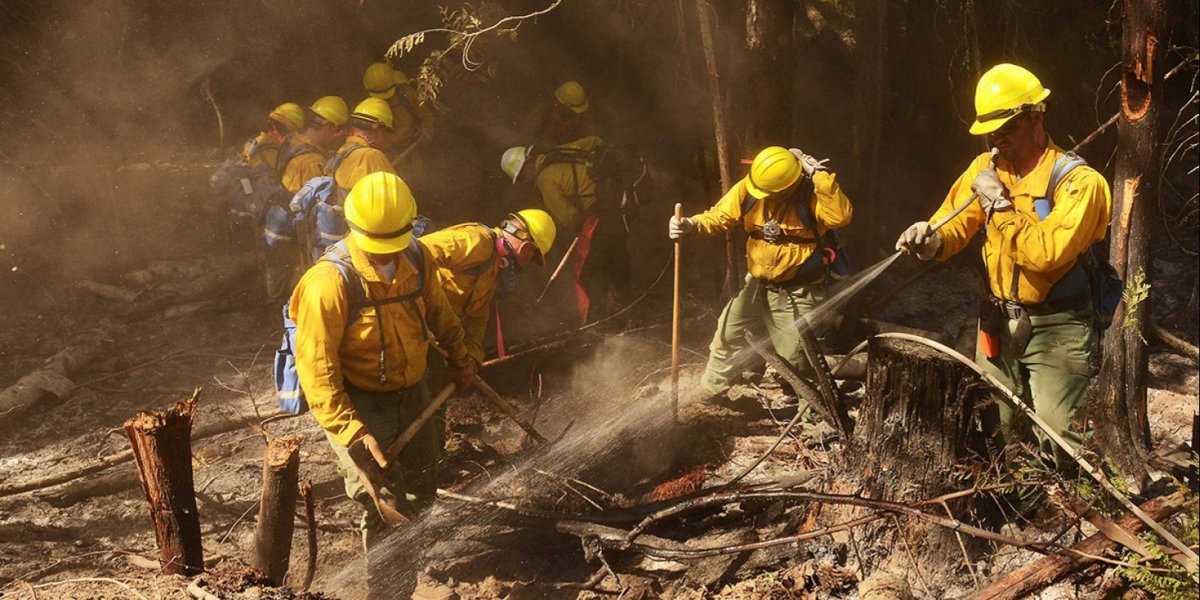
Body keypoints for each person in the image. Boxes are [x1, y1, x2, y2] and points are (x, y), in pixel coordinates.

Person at [895, 63, 1112, 468]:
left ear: (1036, 117)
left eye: (1007, 128)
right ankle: (1015, 495)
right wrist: (931, 239)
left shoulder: (1080, 183)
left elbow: (1046, 254)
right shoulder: (985, 169)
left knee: (1060, 432)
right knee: (996, 425)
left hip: (1057, 323)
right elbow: (954, 223)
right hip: (996, 318)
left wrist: (999, 205)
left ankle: (1081, 498)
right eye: (992, 131)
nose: (998, 138)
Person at [290, 171, 476, 558]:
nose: (387, 254)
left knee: (422, 486)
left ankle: (411, 565)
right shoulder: (329, 282)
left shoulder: (417, 258)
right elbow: (318, 371)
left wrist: (461, 357)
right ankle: (388, 584)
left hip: (415, 392)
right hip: (361, 405)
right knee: (382, 503)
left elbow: (440, 314)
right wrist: (353, 431)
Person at [669, 146, 853, 412]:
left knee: (798, 357)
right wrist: (691, 225)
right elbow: (720, 215)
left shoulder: (811, 194)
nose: (763, 195)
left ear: (787, 187)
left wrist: (819, 175)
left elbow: (841, 216)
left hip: (798, 291)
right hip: (756, 286)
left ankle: (814, 416)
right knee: (726, 336)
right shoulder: (754, 186)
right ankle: (710, 395)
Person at [501, 136, 630, 324]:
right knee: (616, 257)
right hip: (621, 198)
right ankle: (626, 306)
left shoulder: (545, 180)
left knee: (588, 270)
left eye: (521, 178)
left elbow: (569, 217)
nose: (525, 181)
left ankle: (599, 321)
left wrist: (581, 229)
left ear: (527, 167)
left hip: (602, 213)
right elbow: (593, 141)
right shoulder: (560, 153)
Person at [421, 209, 557, 363]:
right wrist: (419, 310)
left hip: (427, 341)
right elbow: (417, 254)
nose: (528, 263)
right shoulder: (478, 241)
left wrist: (471, 358)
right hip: (411, 324)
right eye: (534, 257)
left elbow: (476, 320)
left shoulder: (493, 272)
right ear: (526, 247)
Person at [363, 62, 434, 178]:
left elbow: (426, 115)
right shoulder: (367, 108)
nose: (385, 98)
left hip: (411, 151)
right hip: (387, 158)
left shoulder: (407, 95)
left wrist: (426, 129)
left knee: (418, 180)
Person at [327, 97, 399, 196]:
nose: (385, 138)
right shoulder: (373, 156)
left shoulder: (342, 151)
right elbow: (395, 196)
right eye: (386, 132)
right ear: (378, 131)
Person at [524, 80, 596, 146]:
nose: (576, 114)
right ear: (561, 104)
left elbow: (591, 141)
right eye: (572, 110)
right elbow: (526, 136)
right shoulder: (544, 111)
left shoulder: (583, 119)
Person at [240, 102, 305, 172]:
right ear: (278, 128)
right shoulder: (271, 153)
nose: (292, 138)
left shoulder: (254, 142)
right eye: (290, 133)